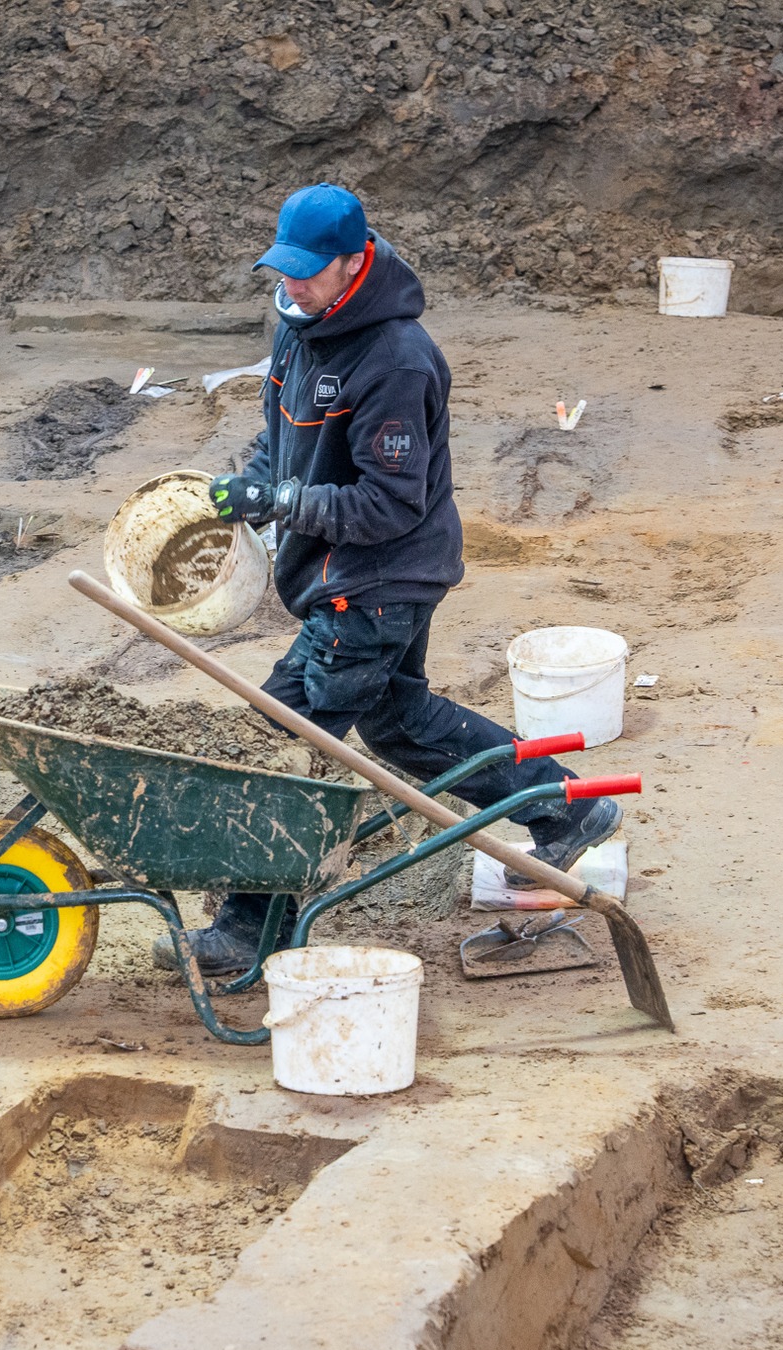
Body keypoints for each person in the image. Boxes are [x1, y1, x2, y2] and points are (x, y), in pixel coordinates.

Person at [154, 183, 621, 976]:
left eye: (308, 271)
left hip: (378, 580)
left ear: (353, 260)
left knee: (287, 744)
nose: (293, 284)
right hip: (347, 573)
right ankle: (565, 807)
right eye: (284, 268)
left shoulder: (397, 360)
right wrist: (254, 488)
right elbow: (279, 442)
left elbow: (389, 502)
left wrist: (286, 501)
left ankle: (247, 928)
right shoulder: (298, 329)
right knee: (399, 725)